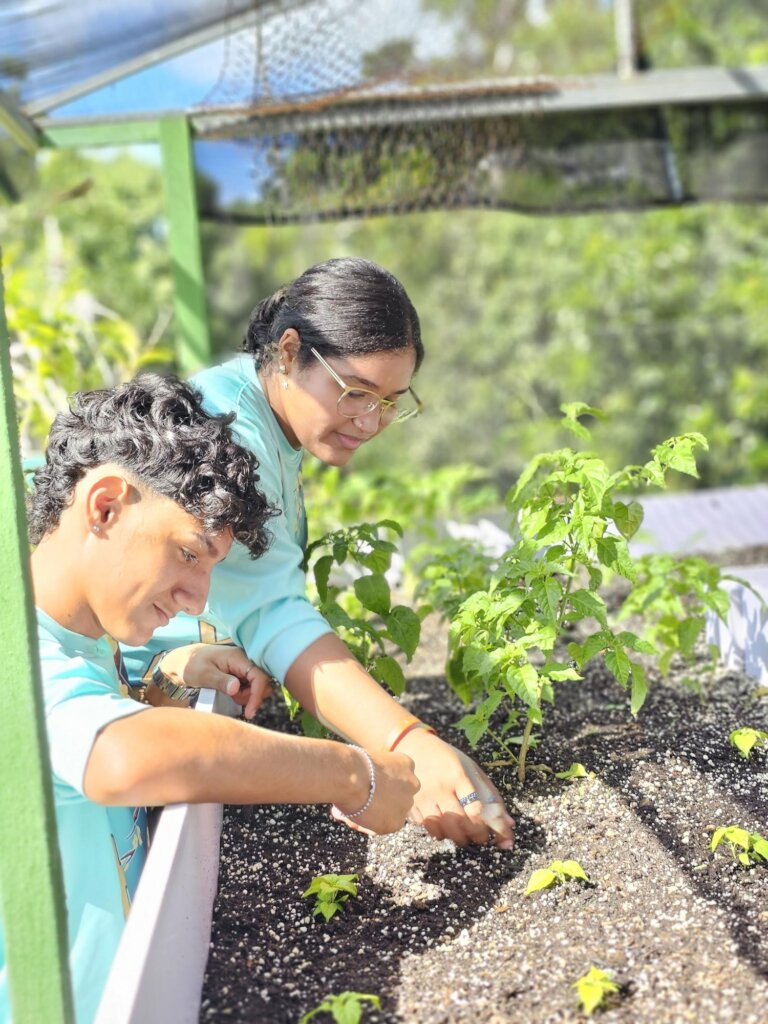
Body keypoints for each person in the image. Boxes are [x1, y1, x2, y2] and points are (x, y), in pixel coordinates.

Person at [0, 375, 418, 1024]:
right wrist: (352, 774)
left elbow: (73, 759)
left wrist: (163, 682)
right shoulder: (16, 654)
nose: (196, 599)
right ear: (105, 506)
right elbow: (123, 760)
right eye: (187, 554)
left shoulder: (77, 633)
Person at [123, 257, 515, 850]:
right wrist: (409, 742)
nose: (371, 419)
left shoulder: (256, 404)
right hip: (125, 698)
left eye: (391, 401)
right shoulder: (230, 435)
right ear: (288, 351)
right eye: (355, 391)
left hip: (164, 686)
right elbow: (273, 615)